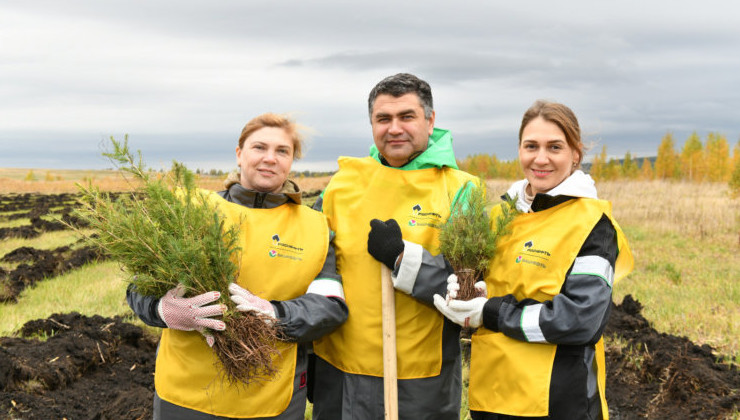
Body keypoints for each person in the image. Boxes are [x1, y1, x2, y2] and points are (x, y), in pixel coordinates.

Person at [126, 113, 348, 420]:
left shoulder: (315, 228)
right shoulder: (190, 213)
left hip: (271, 396)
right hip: (185, 394)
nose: (270, 158)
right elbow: (139, 286)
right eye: (259, 147)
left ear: (291, 160)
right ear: (239, 154)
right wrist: (163, 310)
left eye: (282, 151)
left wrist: (275, 314)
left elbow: (330, 307)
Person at [433, 100, 634, 420]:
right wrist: (463, 291)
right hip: (491, 398)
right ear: (519, 150)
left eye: (554, 147)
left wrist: (491, 312)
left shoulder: (593, 224)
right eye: (531, 146)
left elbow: (581, 320)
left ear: (575, 154)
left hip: (557, 403)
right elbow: (483, 289)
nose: (541, 158)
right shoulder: (501, 217)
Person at [310, 73, 477, 420]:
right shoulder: (341, 185)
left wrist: (403, 258)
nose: (394, 128)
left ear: (430, 121)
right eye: (383, 119)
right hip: (340, 368)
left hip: (419, 376)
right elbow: (310, 256)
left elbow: (465, 283)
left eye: (407, 116)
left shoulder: (461, 190)